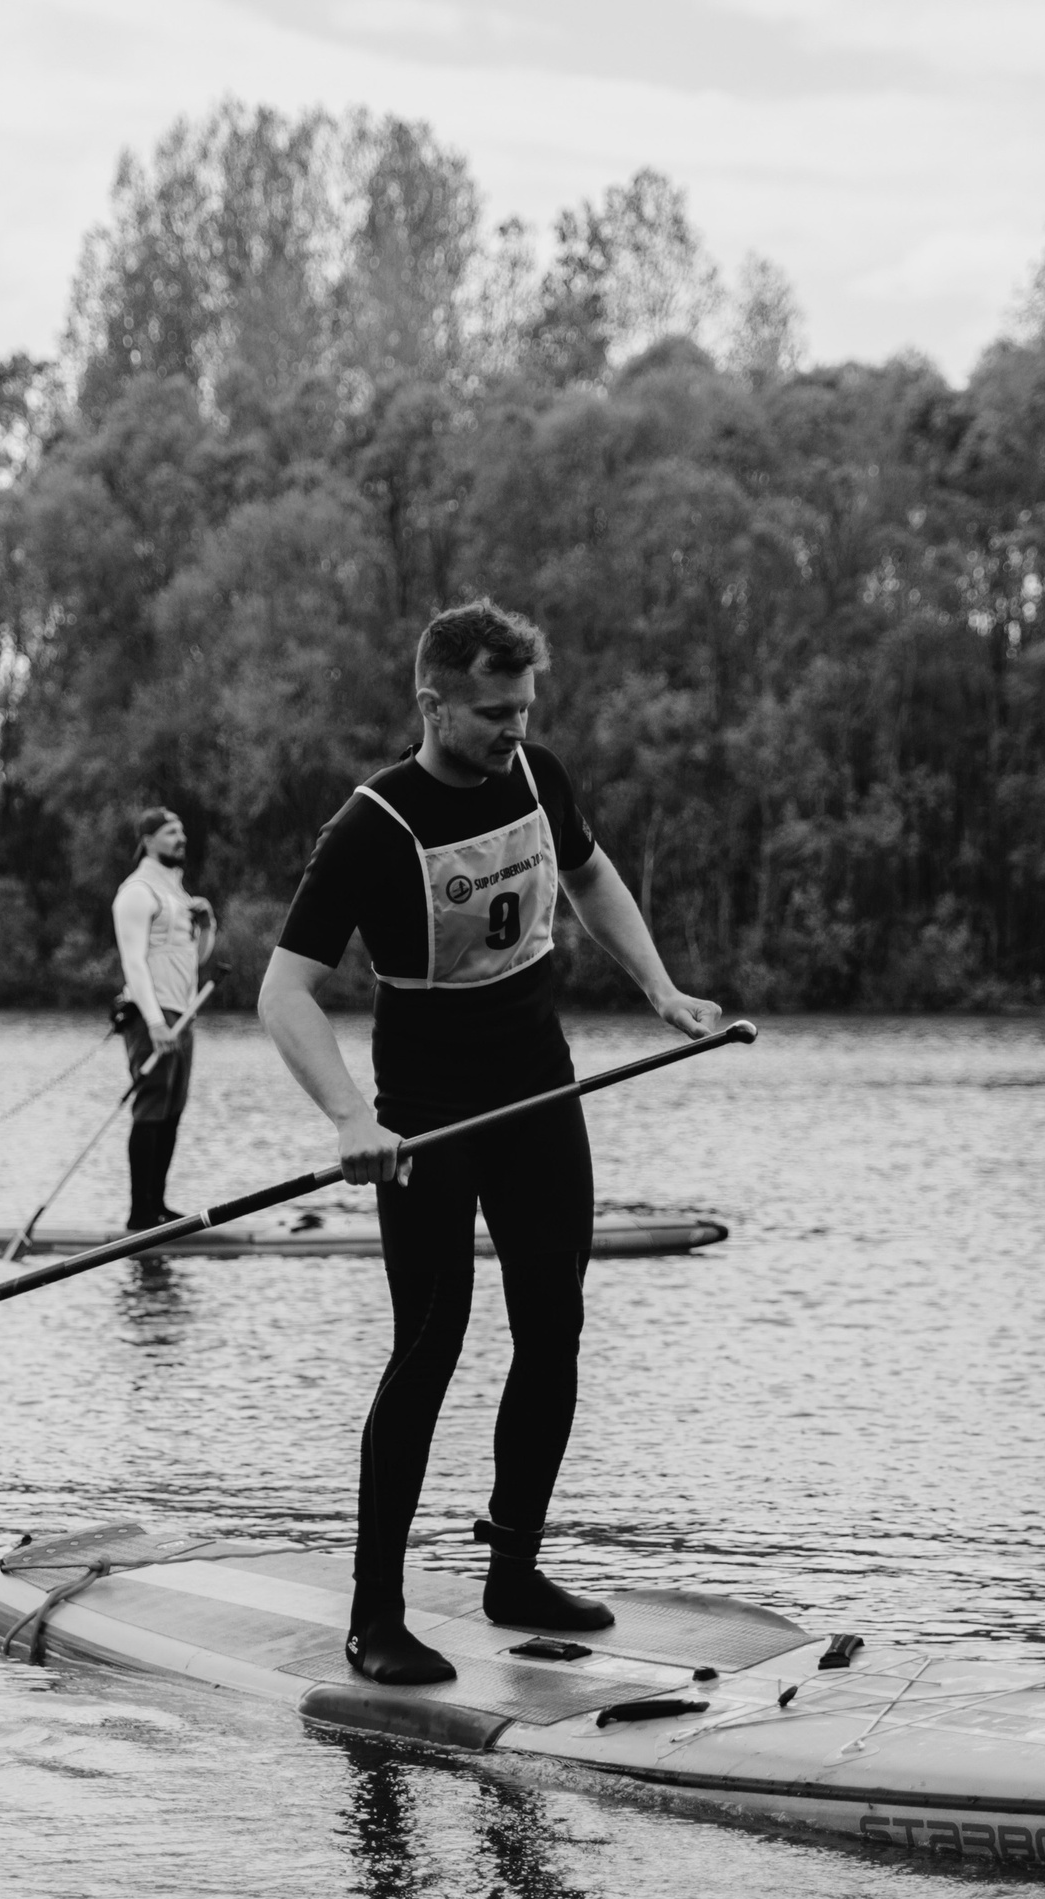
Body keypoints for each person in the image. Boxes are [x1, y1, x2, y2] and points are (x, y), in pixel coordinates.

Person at [258, 600, 724, 1686]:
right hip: (426, 1117)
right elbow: (285, 992)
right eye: (489, 713)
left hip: (538, 1092)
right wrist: (348, 1119)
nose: (513, 730)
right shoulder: (370, 827)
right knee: (430, 1344)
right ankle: (375, 1619)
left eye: (523, 709)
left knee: (552, 1326)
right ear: (431, 702)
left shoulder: (536, 774)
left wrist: (657, 989)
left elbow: (590, 874)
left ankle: (512, 1569)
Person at [113, 808, 216, 1229]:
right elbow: (133, 962)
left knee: (173, 1107)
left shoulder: (176, 892)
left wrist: (207, 928)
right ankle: (140, 1215)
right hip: (149, 1015)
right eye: (172, 831)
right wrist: (154, 1022)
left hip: (182, 1013)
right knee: (152, 1105)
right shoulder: (136, 892)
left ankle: (158, 1207)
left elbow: (194, 960)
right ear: (149, 839)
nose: (181, 838)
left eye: (183, 830)